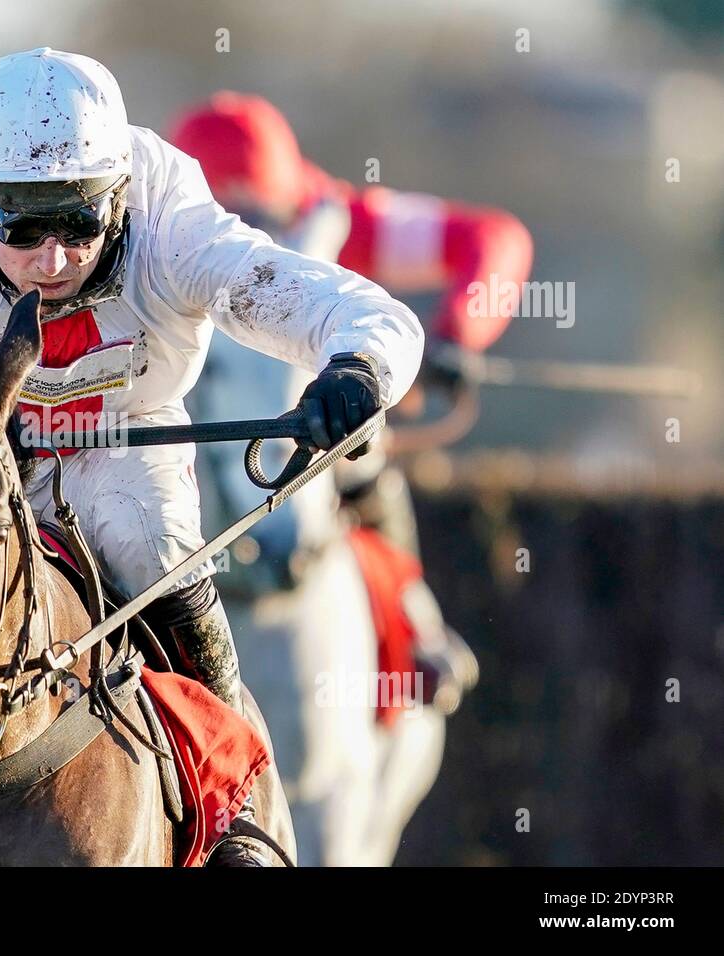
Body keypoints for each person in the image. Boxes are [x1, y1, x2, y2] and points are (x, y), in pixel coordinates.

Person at [0, 50, 423, 867]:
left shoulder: (174, 220)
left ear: (118, 197)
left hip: (123, 445)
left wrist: (358, 371)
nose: (51, 258)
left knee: (159, 561)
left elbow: (364, 314)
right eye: (20, 227)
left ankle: (236, 814)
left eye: (76, 222)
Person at [169, 91, 530, 864]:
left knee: (364, 470)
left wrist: (456, 331)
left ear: (289, 197)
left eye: (261, 213)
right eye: (229, 217)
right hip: (177, 473)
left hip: (317, 454)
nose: (251, 240)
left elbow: (493, 241)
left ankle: (413, 629)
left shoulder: (336, 220)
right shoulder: (141, 244)